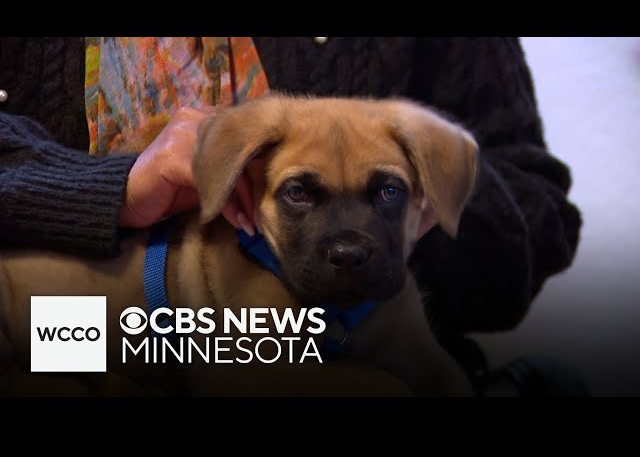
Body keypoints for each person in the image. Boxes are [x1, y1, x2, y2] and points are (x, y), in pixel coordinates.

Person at [0, 37, 583, 392]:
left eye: (385, 190)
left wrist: (436, 197)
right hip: (65, 335)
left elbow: (539, 218)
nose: (347, 242)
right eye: (302, 193)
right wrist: (108, 189)